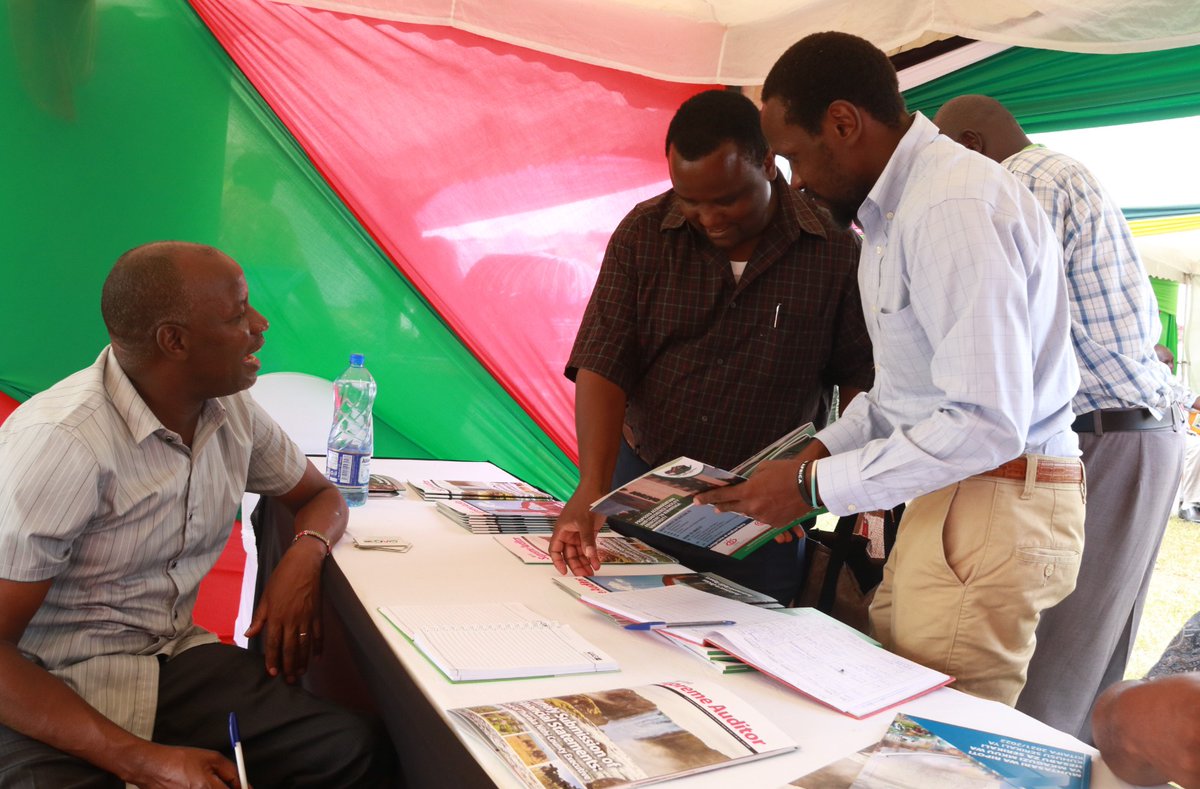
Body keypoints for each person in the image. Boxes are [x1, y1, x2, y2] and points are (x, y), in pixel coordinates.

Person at [697, 32, 1085, 705]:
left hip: (991, 492)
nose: (796, 182)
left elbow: (984, 422)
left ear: (844, 123)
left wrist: (813, 488)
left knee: (933, 743)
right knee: (892, 705)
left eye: (793, 156)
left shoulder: (951, 204)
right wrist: (808, 460)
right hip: (958, 492)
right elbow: (901, 398)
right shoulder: (893, 214)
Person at [0, 242, 393, 787]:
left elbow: (320, 496)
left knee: (351, 749)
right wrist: (141, 759)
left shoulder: (229, 407)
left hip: (166, 658)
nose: (262, 325)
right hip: (46, 685)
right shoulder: (63, 443)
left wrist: (304, 555)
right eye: (238, 315)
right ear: (174, 341)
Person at [547, 89, 874, 604]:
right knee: (623, 630)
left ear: (768, 162)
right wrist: (592, 484)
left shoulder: (836, 250)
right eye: (690, 200)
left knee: (745, 654)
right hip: (643, 487)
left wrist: (807, 481)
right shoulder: (644, 233)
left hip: (764, 511)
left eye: (726, 199)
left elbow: (862, 383)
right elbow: (602, 363)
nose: (710, 217)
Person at [933, 94, 1188, 741]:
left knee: (1050, 673)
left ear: (971, 144)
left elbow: (1000, 339)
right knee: (1086, 671)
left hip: (1105, 437)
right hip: (1129, 433)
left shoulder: (1023, 182)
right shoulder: (1060, 173)